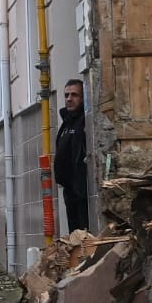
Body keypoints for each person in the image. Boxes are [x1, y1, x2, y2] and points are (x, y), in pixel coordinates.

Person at [53, 79, 91, 236]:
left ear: (83, 98)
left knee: (84, 234)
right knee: (73, 234)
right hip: (69, 191)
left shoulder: (84, 121)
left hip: (82, 192)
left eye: (74, 95)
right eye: (66, 95)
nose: (69, 99)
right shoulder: (66, 123)